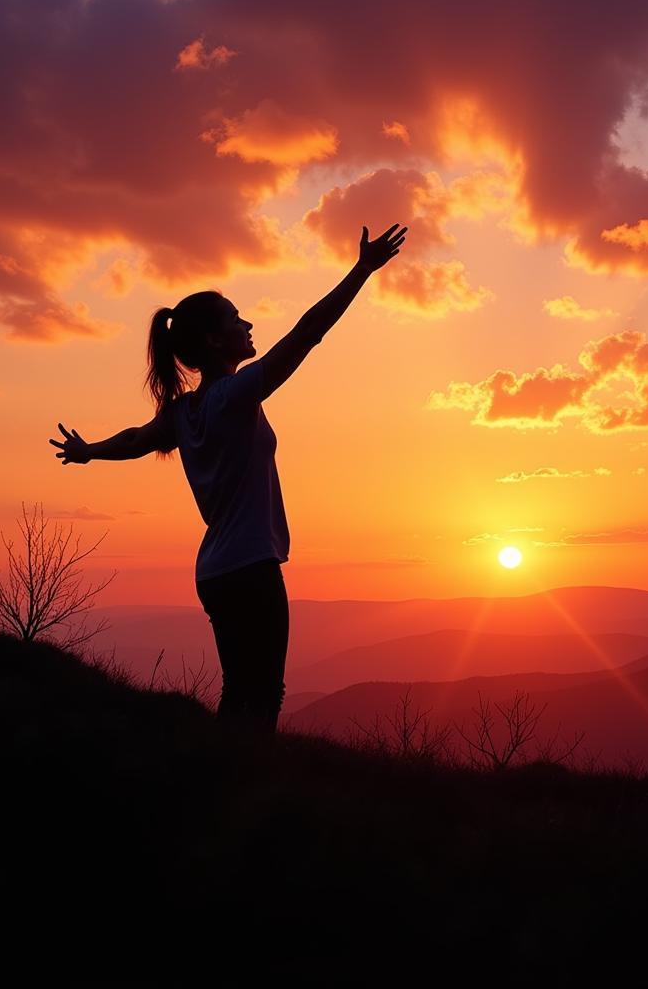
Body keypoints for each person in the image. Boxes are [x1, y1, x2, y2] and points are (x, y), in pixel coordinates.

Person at [50, 223, 409, 739]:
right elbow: (307, 334)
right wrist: (360, 272)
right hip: (250, 567)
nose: (249, 323)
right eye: (238, 319)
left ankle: (215, 777)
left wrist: (89, 453)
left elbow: (135, 439)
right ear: (217, 341)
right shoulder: (233, 397)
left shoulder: (184, 412)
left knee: (237, 689)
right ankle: (246, 790)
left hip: (215, 572)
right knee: (263, 694)